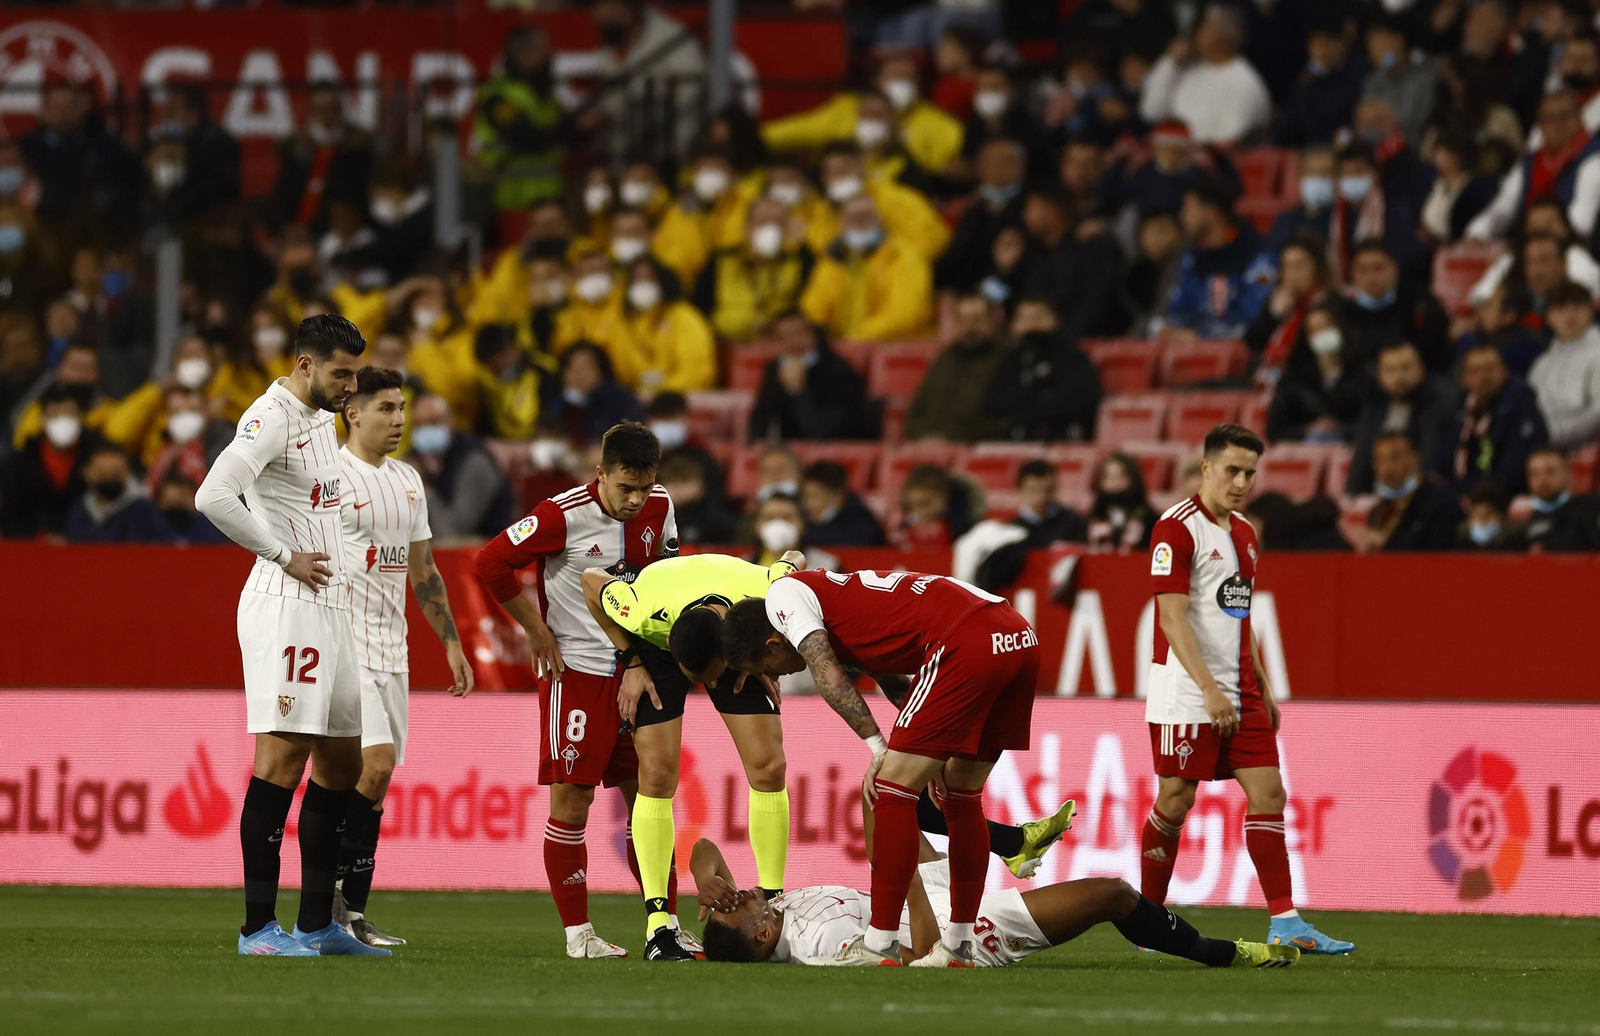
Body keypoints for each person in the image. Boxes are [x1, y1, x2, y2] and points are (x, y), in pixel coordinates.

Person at [719, 567, 1042, 967]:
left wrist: (878, 749)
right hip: (1015, 635)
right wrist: (931, 745)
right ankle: (957, 946)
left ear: (773, 642)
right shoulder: (837, 611)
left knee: (890, 790)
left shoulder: (785, 600)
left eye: (763, 668)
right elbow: (892, 680)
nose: (773, 676)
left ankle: (878, 943)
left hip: (965, 639)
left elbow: (828, 676)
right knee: (959, 796)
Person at [192, 314, 386, 958]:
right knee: (282, 760)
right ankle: (257, 929)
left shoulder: (321, 416)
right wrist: (281, 553)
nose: (350, 385)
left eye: (356, 372)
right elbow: (213, 495)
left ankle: (315, 925)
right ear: (305, 364)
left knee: (343, 760)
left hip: (331, 606)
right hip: (288, 606)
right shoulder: (270, 415)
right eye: (341, 372)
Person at [473, 422, 682, 959]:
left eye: (644, 487)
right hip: (580, 674)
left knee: (649, 802)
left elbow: (670, 577)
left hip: (641, 674)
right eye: (624, 488)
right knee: (573, 798)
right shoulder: (560, 513)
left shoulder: (660, 506)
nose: (636, 500)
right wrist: (534, 628)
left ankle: (665, 926)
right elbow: (490, 562)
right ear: (601, 474)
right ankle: (579, 935)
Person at [1143, 423, 1354, 955]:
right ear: (1206, 467)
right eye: (1232, 470)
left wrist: (1262, 683)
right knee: (1176, 797)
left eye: (1250, 473)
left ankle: (1286, 921)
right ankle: (1146, 922)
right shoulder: (1175, 529)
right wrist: (1211, 690)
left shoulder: (1245, 532)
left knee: (1269, 795)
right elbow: (1171, 619)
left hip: (1241, 688)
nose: (1241, 482)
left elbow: (1239, 613)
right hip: (1189, 692)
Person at [580, 552, 801, 961]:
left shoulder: (764, 593)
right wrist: (629, 659)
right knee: (658, 775)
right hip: (657, 641)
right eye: (703, 680)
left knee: (770, 768)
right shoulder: (638, 609)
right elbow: (591, 580)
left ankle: (776, 901)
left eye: (714, 676)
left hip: (733, 623)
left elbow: (794, 559)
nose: (712, 685)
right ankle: (659, 926)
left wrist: (763, 655)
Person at [690, 821, 1296, 969]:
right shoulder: (821, 944)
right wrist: (898, 874)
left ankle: (1009, 842)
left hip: (911, 891)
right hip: (956, 932)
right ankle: (1224, 953)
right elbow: (924, 955)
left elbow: (703, 850)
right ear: (763, 933)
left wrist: (703, 882)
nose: (745, 892)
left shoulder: (756, 915)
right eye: (744, 903)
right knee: (1113, 894)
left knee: (886, 785)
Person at [333, 367, 474, 948]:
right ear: (353, 413)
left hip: (394, 651)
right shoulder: (329, 478)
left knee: (374, 782)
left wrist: (450, 639)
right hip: (343, 645)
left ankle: (349, 914)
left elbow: (423, 571)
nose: (398, 419)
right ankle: (331, 903)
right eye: (386, 408)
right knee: (376, 765)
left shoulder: (409, 482)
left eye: (401, 407)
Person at [983, 184, 1121, 339]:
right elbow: (992, 300)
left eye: (1031, 209)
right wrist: (1003, 272)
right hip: (1025, 342)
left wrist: (1063, 341)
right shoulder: (1028, 253)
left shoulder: (1090, 248)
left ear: (1052, 211)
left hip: (1076, 344)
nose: (1025, 217)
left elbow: (1095, 304)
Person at [1466, 90, 1600, 244]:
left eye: (1564, 116)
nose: (1557, 125)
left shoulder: (1593, 157)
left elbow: (1583, 219)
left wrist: (1546, 235)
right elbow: (1504, 207)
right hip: (1528, 246)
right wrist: (1478, 232)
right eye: (1549, 118)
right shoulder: (1529, 162)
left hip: (1574, 247)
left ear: (1579, 118)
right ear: (1540, 125)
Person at [799, 192, 934, 342]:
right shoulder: (835, 259)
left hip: (894, 345)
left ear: (881, 220)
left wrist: (857, 337)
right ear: (841, 224)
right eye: (852, 219)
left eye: (866, 217)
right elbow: (813, 309)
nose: (859, 224)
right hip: (844, 346)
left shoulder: (903, 256)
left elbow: (907, 313)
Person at [1137, 4, 1270, 146]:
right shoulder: (1185, 70)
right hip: (1174, 158)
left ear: (1223, 34)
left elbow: (1229, 141)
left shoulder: (1244, 81)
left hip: (1214, 163)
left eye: (1203, 26)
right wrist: (1170, 62)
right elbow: (1150, 112)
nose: (1194, 33)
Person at [1162, 178, 1274, 341]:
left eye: (1188, 208)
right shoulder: (1191, 259)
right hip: (1194, 353)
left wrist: (1202, 337)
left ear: (1212, 212)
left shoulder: (1257, 256)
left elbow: (1254, 319)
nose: (1182, 216)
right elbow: (1178, 309)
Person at [694, 197, 815, 342]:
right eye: (763, 221)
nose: (770, 229)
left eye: (778, 223)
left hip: (775, 347)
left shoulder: (798, 262)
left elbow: (810, 310)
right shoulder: (722, 260)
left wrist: (802, 244)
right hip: (726, 344)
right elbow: (699, 307)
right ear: (747, 227)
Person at [1346, 341, 1459, 495]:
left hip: (1420, 495)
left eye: (1405, 368)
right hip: (1379, 494)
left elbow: (1429, 461)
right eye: (1391, 370)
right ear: (1379, 375)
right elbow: (1361, 461)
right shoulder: (1373, 408)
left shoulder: (1438, 405)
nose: (1399, 377)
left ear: (1421, 369)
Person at [983, 296, 1101, 442]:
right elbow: (993, 401)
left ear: (1053, 319)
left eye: (1037, 317)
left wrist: (1029, 405)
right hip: (1017, 441)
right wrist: (1039, 400)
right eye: (1024, 318)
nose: (1031, 324)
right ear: (1014, 324)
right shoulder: (1011, 360)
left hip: (1062, 441)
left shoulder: (1073, 358)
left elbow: (1081, 399)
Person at [474, 25, 565, 211]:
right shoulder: (498, 96)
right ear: (521, 53)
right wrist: (565, 133)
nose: (549, 54)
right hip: (513, 200)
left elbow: (567, 129)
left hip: (552, 197)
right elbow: (523, 136)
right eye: (542, 49)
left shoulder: (545, 94)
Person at [1440, 342, 1547, 497]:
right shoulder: (1460, 413)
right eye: (1475, 371)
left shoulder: (1522, 409)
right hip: (1461, 496)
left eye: (1491, 368)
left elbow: (1513, 471)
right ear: (1464, 378)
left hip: (1503, 498)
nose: (1484, 377)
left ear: (1505, 372)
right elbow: (1443, 462)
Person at [748, 311, 876, 442]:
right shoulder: (774, 369)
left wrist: (797, 392)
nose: (791, 343)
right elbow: (760, 422)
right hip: (792, 453)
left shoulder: (841, 373)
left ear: (812, 334)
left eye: (796, 334)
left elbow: (821, 434)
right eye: (781, 338)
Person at [408, 393, 517, 540]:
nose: (426, 430)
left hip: (485, 551)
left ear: (451, 421)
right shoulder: (415, 458)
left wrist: (423, 488)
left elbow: (452, 533)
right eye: (419, 425)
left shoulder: (475, 462)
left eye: (433, 422)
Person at [1, 384, 104, 538]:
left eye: (69, 413)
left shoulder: (98, 456)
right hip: (31, 548)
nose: (62, 419)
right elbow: (13, 511)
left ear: (80, 417)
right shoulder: (20, 461)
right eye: (55, 413)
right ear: (43, 418)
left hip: (86, 546)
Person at [904, 291, 1007, 442]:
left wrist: (951, 439)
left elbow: (1001, 421)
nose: (970, 328)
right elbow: (915, 412)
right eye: (963, 320)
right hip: (926, 444)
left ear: (992, 321)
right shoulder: (944, 359)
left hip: (973, 448)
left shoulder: (1005, 361)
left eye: (977, 320)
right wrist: (923, 437)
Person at [272, 81, 374, 234]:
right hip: (302, 226)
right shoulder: (293, 145)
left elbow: (365, 188)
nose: (327, 115)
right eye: (321, 109)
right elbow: (284, 192)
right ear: (312, 110)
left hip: (349, 227)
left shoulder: (358, 143)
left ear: (339, 109)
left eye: (331, 108)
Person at [1337, 242, 1451, 375]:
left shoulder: (1418, 302)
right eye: (1363, 269)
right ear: (1353, 273)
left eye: (1378, 268)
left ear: (1393, 268)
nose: (1371, 277)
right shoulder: (1343, 312)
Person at [1265, 303, 1368, 444]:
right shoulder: (1293, 378)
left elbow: (1371, 422)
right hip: (1305, 450)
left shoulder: (1363, 373)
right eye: (1315, 330)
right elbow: (1275, 430)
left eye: (1327, 326)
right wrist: (1309, 429)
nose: (1322, 334)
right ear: (1307, 338)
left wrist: (1338, 428)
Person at [933, 138, 1025, 293]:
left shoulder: (1029, 208)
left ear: (1022, 168)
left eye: (1007, 163)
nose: (998, 169)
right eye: (990, 163)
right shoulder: (967, 209)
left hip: (1013, 290)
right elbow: (954, 257)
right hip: (965, 291)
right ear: (980, 168)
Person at [1354, 433, 1463, 552]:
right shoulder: (1377, 511)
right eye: (1380, 460)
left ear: (1415, 458)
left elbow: (1439, 557)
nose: (1387, 469)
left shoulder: (1441, 503)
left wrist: (1387, 545)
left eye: (1395, 458)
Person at [1272, 14, 1364, 148]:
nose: (1323, 50)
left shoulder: (1357, 77)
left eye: (1329, 42)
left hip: (1343, 152)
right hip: (1307, 154)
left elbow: (1350, 127)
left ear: (1342, 44)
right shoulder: (1303, 83)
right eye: (1318, 43)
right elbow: (1290, 125)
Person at [1528, 280, 1600, 450]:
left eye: (1577, 307)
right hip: (1547, 451)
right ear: (1549, 317)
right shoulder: (1541, 365)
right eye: (1560, 309)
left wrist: (1551, 435)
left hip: (1590, 451)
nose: (1570, 315)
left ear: (1590, 310)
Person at [63, 445, 172, 544]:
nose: (109, 477)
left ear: (128, 472)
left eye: (116, 473)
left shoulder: (145, 510)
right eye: (102, 473)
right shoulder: (79, 509)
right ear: (87, 473)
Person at [549, 343, 648, 447]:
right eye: (572, 368)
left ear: (601, 371)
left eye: (585, 368)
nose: (578, 375)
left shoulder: (620, 400)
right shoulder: (557, 404)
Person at [1359, 14, 1437, 148]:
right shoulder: (1374, 79)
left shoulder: (1424, 77)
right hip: (1374, 150)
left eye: (1379, 42)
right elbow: (1363, 121)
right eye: (1370, 45)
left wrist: (1386, 116)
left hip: (1411, 151)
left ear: (1398, 40)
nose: (1373, 52)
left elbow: (1412, 124)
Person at [1523, 446, 1600, 551]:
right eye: (1535, 474)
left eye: (1550, 471)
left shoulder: (1590, 510)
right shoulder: (1525, 520)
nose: (1542, 480)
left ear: (1568, 473)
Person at [799, 461, 885, 548]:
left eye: (814, 496)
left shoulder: (861, 520)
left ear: (837, 496)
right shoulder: (805, 519)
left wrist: (800, 534)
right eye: (804, 497)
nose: (806, 504)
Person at [656, 453, 736, 545]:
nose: (680, 491)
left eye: (685, 483)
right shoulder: (655, 513)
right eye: (674, 484)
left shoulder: (712, 515)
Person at [1086, 452, 1156, 553]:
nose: (1114, 482)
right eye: (1108, 477)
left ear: (1133, 480)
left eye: (1120, 476)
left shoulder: (1150, 520)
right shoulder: (1092, 518)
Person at [1457, 481, 1521, 551]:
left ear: (1500, 517)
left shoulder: (1513, 541)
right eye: (1479, 515)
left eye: (1487, 516)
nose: (1483, 523)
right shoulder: (1463, 538)